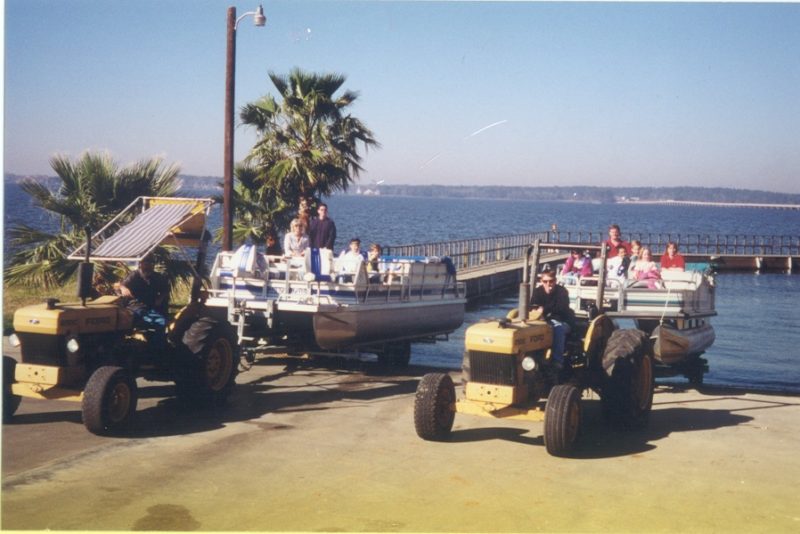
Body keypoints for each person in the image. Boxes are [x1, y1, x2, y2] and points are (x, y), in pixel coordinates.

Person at [531, 270, 575, 380]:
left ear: (555, 281)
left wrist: (544, 309)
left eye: (551, 281)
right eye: (545, 281)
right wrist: (538, 311)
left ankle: (557, 361)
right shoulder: (537, 292)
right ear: (541, 281)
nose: (548, 284)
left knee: (557, 328)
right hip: (542, 320)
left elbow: (561, 308)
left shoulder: (562, 292)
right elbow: (533, 306)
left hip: (562, 320)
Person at [120, 256, 169, 350]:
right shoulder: (134, 275)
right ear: (140, 264)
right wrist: (123, 289)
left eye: (150, 263)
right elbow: (122, 284)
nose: (148, 266)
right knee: (123, 323)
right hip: (134, 307)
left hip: (149, 308)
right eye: (146, 263)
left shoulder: (157, 277)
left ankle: (155, 350)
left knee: (162, 322)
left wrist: (160, 299)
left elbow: (165, 290)